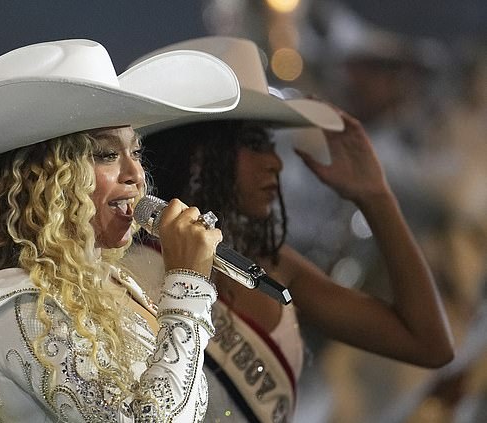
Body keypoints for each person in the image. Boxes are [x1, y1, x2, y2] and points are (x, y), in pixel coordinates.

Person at [0, 39, 243, 422]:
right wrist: (187, 284)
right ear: (42, 181)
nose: (136, 175)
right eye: (105, 154)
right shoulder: (20, 307)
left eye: (134, 152)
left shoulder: (112, 286)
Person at [121, 36, 455, 423]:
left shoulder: (273, 267)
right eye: (253, 144)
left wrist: (376, 197)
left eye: (270, 145)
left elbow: (429, 345)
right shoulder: (128, 263)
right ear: (195, 152)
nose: (274, 164)